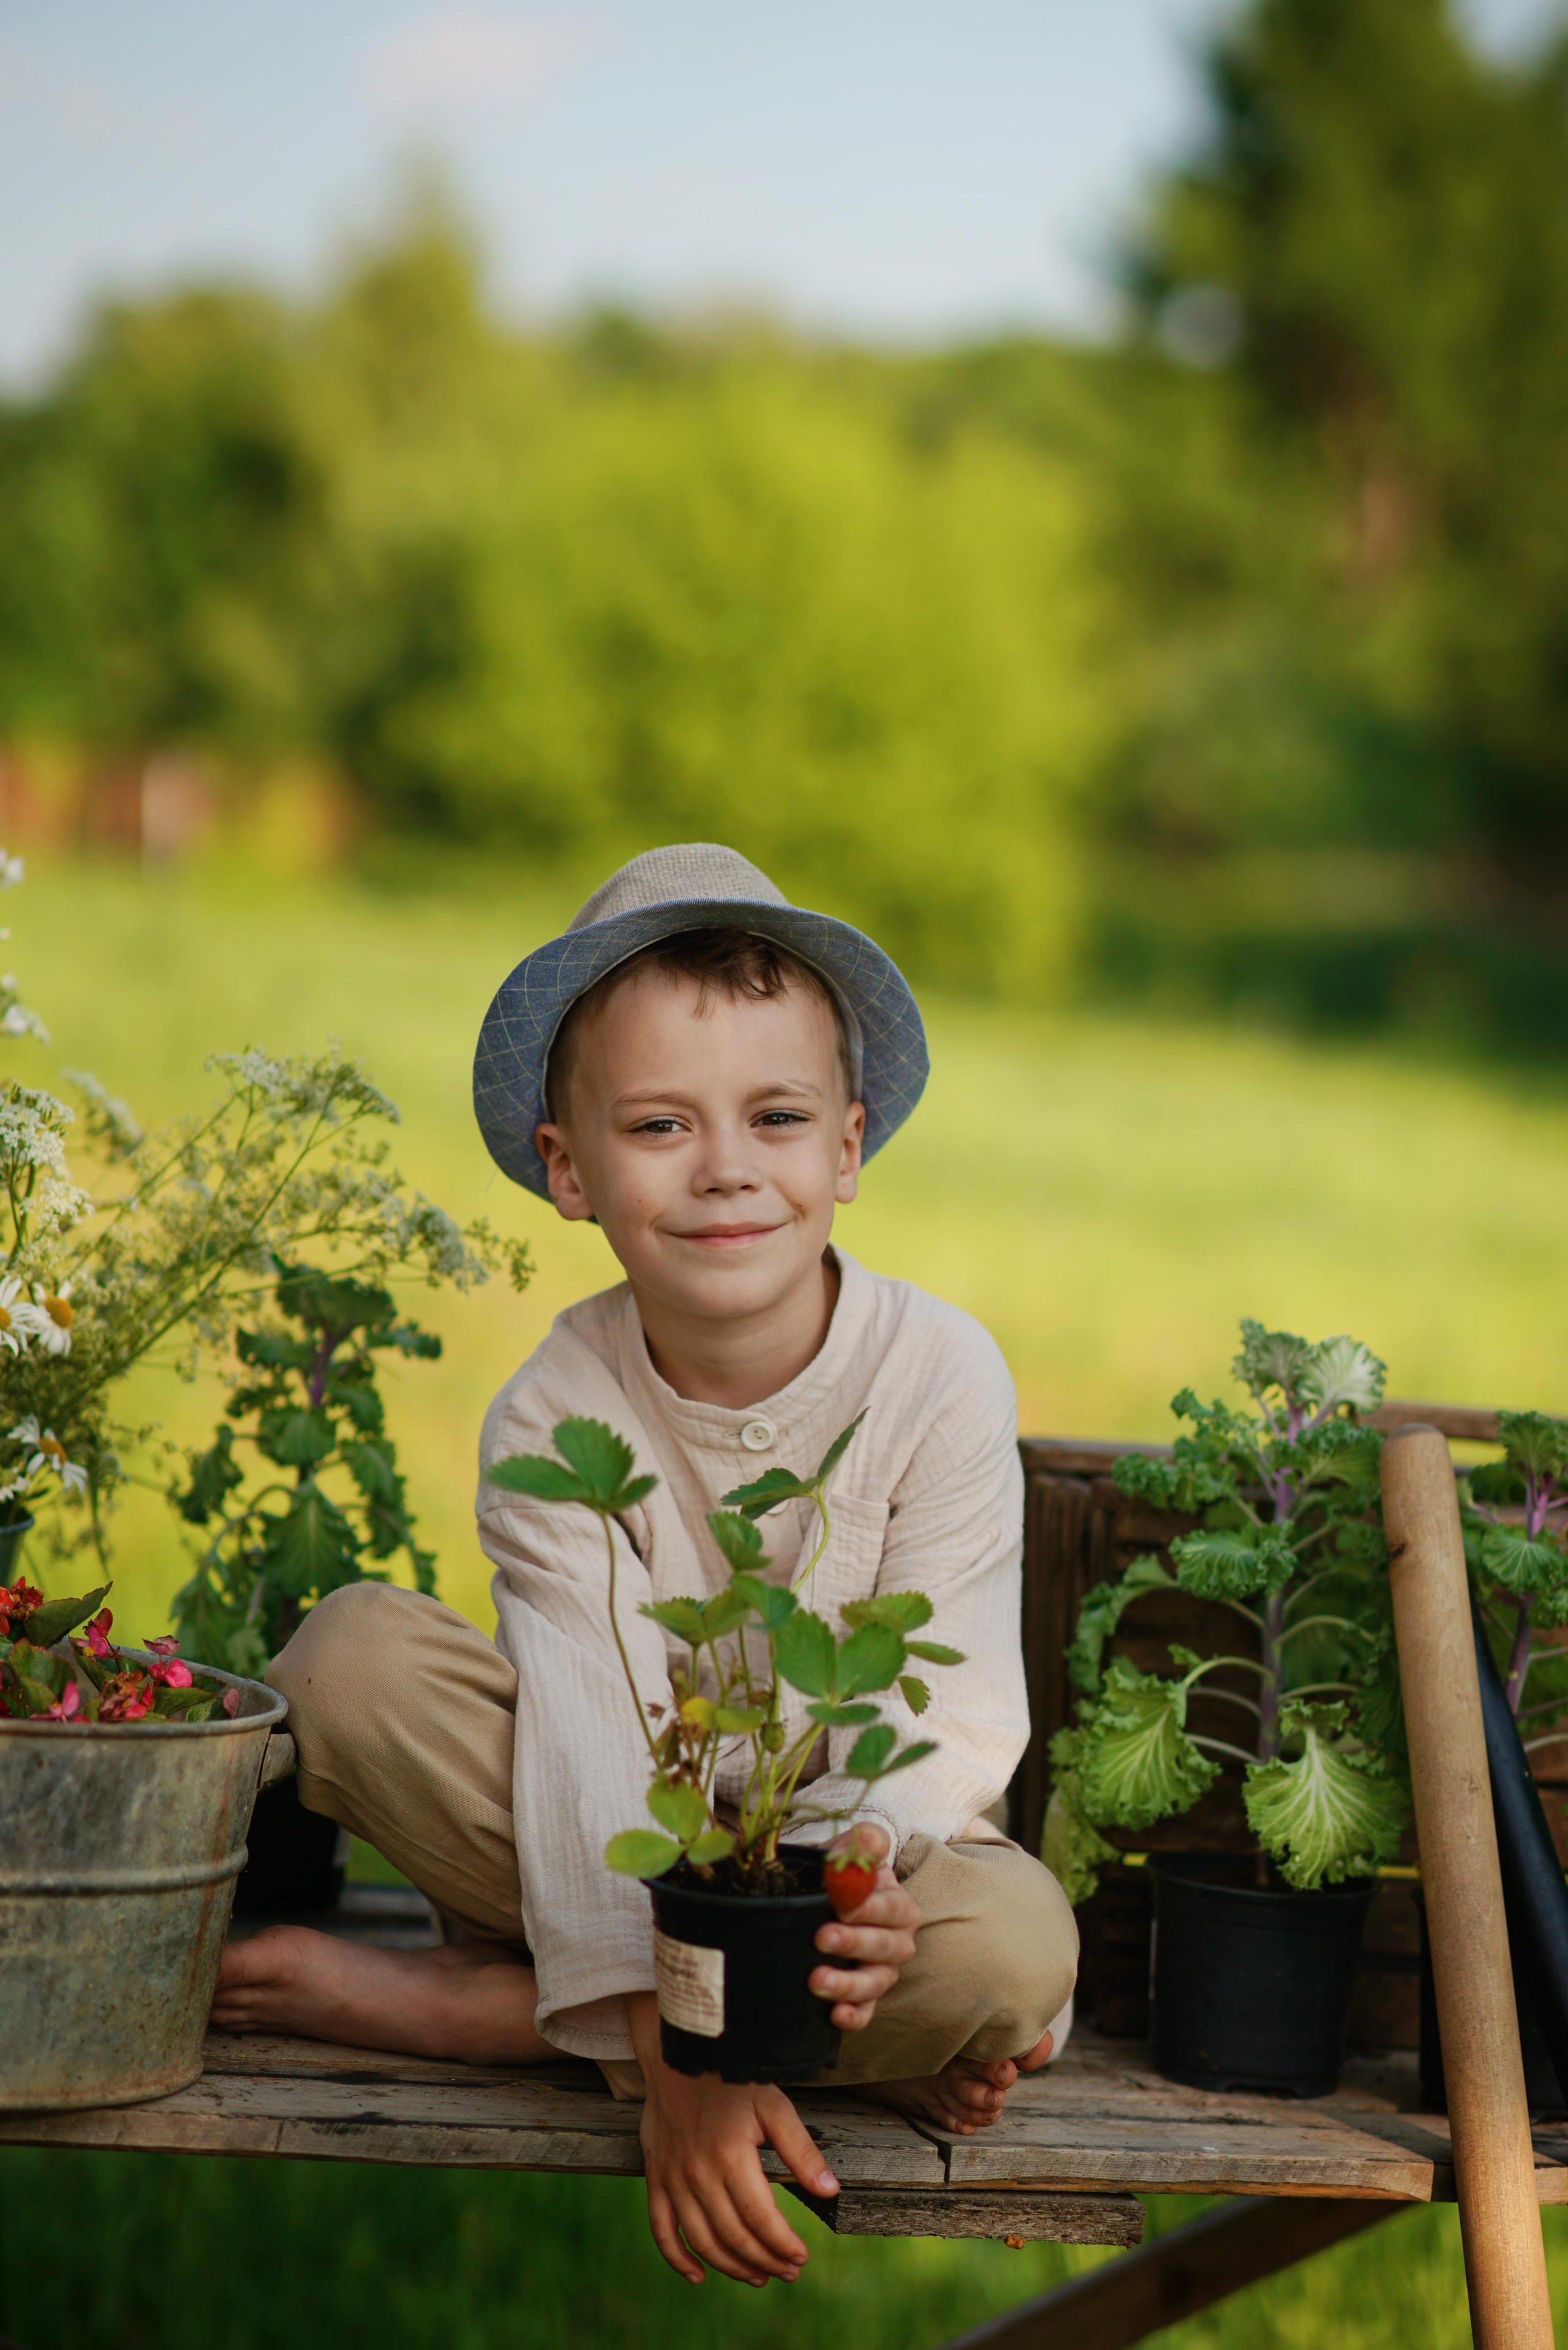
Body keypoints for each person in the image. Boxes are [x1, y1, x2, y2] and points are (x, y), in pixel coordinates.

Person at [213, 843, 1078, 2288]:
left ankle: (471, 2010)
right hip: (601, 1843)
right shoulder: (557, 1411)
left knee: (1010, 1949)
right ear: (570, 1167)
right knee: (345, 1659)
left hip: (851, 1862)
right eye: (661, 1123)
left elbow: (953, 1707)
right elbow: (582, 1743)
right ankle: (771, 2042)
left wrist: (860, 1886)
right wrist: (688, 2044)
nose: (728, 1165)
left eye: (778, 1115)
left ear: (849, 1148)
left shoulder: (937, 1373)